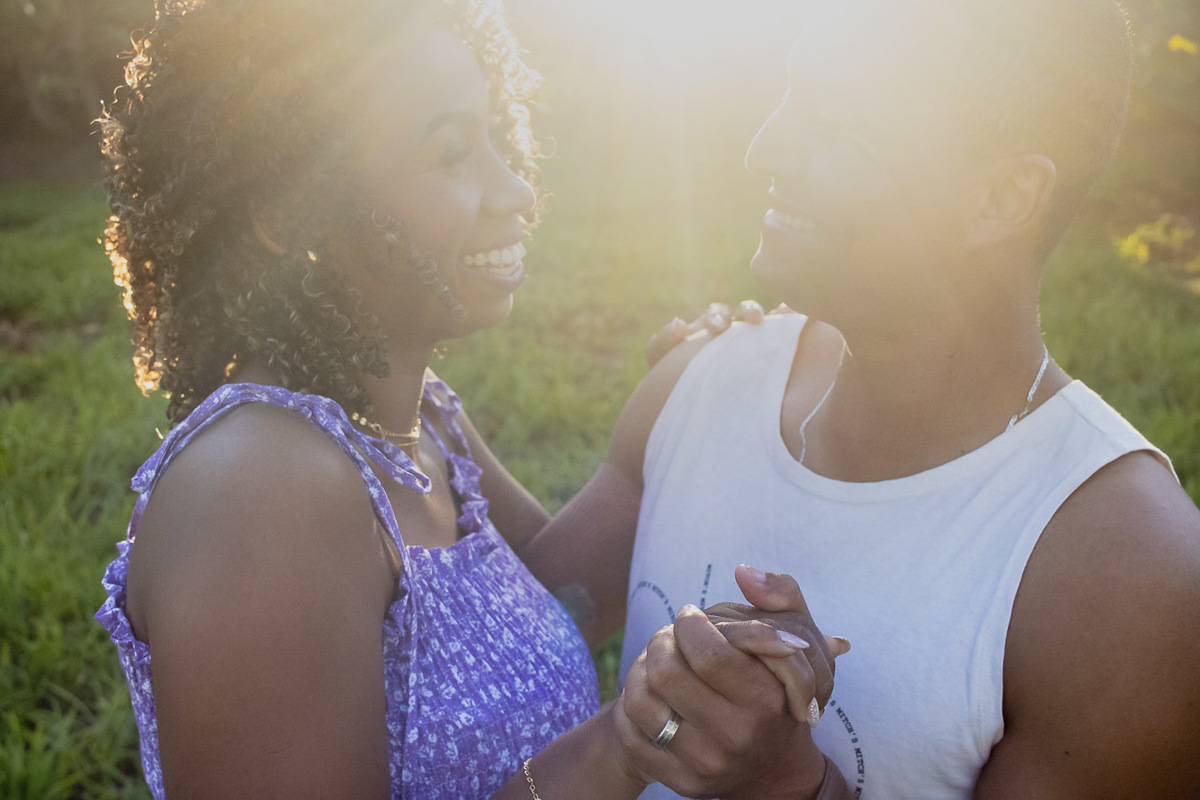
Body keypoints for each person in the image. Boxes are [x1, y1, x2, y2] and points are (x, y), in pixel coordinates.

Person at [93, 0, 835, 797]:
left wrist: (689, 396)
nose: (515, 187)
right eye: (451, 153)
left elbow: (544, 615)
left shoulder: (419, 423)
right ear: (285, 214)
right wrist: (624, 747)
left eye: (495, 137)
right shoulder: (261, 490)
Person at [522, 0, 1200, 797]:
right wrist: (409, 417)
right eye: (787, 96)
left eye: (835, 120)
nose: (762, 149)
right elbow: (488, 641)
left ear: (1001, 198)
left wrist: (786, 782)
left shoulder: (1127, 579)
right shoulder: (698, 384)